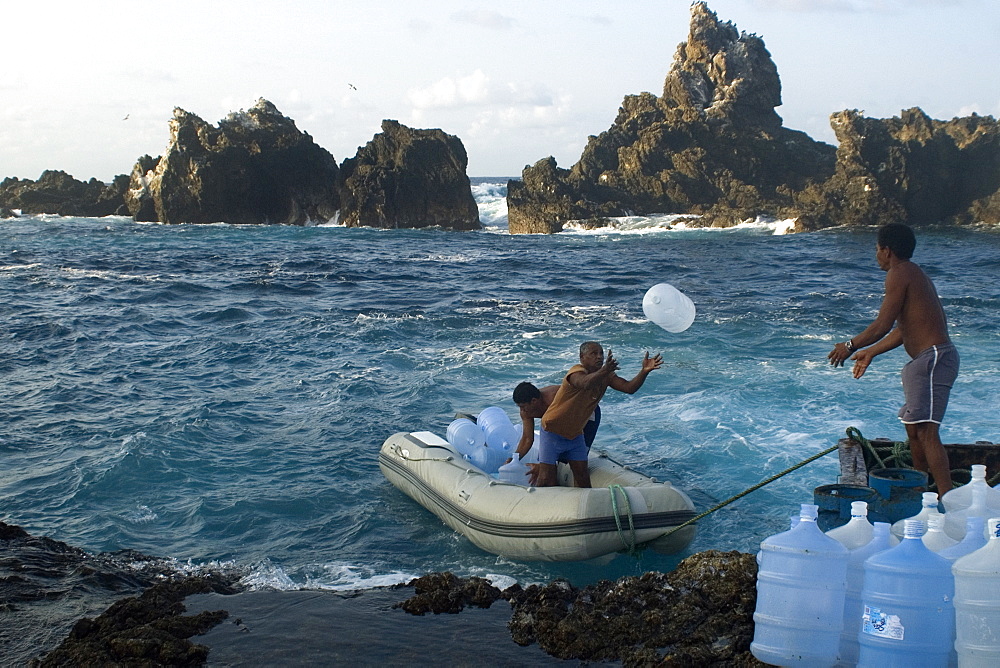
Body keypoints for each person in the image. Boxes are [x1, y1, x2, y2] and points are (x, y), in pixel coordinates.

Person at [827, 223, 959, 494]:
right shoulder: (911, 273)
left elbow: (882, 324)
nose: (876, 255)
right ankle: (923, 490)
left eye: (876, 250)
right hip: (924, 362)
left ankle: (947, 500)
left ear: (887, 251)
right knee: (914, 430)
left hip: (934, 359)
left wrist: (849, 346)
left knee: (927, 432)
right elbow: (903, 329)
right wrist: (871, 352)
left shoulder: (900, 272)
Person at [531, 341, 663, 488]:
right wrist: (604, 370)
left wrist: (644, 371)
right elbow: (585, 383)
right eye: (594, 354)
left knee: (582, 478)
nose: (599, 357)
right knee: (545, 478)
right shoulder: (575, 372)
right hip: (552, 431)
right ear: (582, 357)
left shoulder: (607, 376)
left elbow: (629, 388)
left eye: (601, 353)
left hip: (575, 435)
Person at [511, 382, 601, 485]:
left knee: (577, 466)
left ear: (534, 401)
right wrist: (515, 458)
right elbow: (527, 438)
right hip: (558, 423)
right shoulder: (526, 412)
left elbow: (568, 428)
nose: (521, 411)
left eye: (523, 407)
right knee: (548, 467)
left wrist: (544, 465)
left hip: (585, 413)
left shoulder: (555, 398)